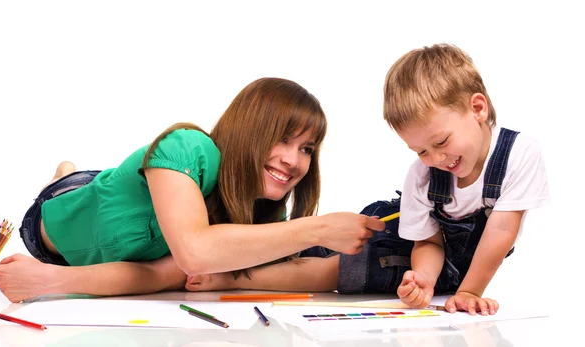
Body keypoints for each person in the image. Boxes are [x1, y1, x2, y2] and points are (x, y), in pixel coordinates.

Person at [181, 43, 551, 316]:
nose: (436, 159)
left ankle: (232, 275)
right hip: (403, 235)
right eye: (420, 151)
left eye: (440, 143)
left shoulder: (518, 154)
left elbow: (500, 232)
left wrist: (468, 289)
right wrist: (423, 277)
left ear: (477, 108)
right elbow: (429, 241)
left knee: (346, 270)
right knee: (334, 256)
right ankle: (230, 274)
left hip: (458, 273)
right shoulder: (422, 176)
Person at [0, 77, 385, 303]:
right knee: (68, 188)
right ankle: (64, 174)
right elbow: (195, 253)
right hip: (57, 216)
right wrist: (317, 229)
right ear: (250, 129)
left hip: (104, 240)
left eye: (306, 149)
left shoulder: (261, 212)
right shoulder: (187, 146)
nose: (294, 160)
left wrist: (54, 281)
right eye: (283, 140)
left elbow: (161, 274)